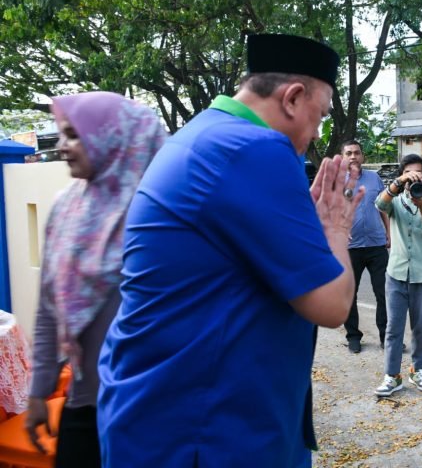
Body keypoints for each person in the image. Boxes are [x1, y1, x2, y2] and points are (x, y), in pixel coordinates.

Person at [97, 34, 363, 467]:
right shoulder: (252, 148)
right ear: (293, 98)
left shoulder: (203, 134)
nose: (318, 133)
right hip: (206, 432)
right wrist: (336, 228)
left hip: (162, 414)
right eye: (321, 115)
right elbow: (331, 304)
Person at [26, 91, 167, 467]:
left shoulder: (158, 213)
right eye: (62, 134)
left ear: (113, 137)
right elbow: (48, 308)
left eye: (74, 135)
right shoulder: (66, 207)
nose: (62, 146)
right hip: (84, 404)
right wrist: (39, 391)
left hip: (151, 410)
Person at [374, 154, 422, 396]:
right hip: (396, 274)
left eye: (418, 173)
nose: (414, 177)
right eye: (408, 173)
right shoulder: (395, 201)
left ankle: (418, 370)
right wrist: (398, 183)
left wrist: (421, 203)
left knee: (421, 328)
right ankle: (392, 376)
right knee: (393, 329)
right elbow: (379, 204)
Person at [340, 139, 390, 353]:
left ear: (362, 156)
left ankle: (387, 337)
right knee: (349, 295)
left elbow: (383, 207)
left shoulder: (374, 178)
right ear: (342, 157)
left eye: (357, 152)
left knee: (384, 293)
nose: (353, 156)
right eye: (349, 153)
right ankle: (353, 336)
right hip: (349, 248)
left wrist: (389, 233)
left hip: (377, 245)